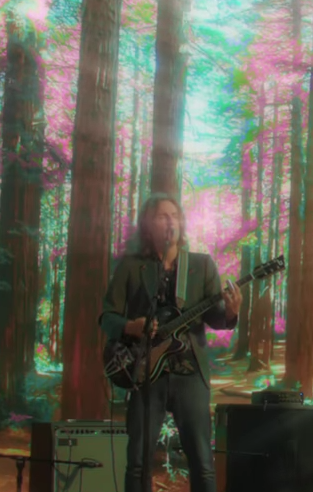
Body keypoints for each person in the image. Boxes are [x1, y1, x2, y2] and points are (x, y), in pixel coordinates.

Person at [99, 194, 242, 492]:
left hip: (190, 374)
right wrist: (130, 326)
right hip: (145, 373)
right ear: (148, 224)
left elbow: (216, 318)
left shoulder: (201, 265)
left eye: (174, 216)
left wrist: (231, 312)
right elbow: (107, 317)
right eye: (163, 216)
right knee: (137, 462)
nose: (170, 222)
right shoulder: (131, 266)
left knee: (202, 461)